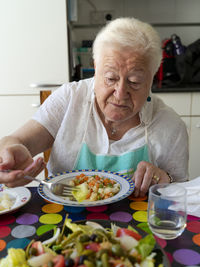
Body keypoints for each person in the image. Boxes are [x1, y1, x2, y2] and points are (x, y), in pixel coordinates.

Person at [0, 17, 188, 197]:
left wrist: (166, 180)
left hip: (136, 227)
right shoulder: (69, 99)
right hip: (64, 220)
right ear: (95, 67)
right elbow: (15, 141)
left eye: (135, 82)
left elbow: (182, 191)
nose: (120, 93)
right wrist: (8, 157)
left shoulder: (169, 125)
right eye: (110, 78)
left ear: (152, 78)